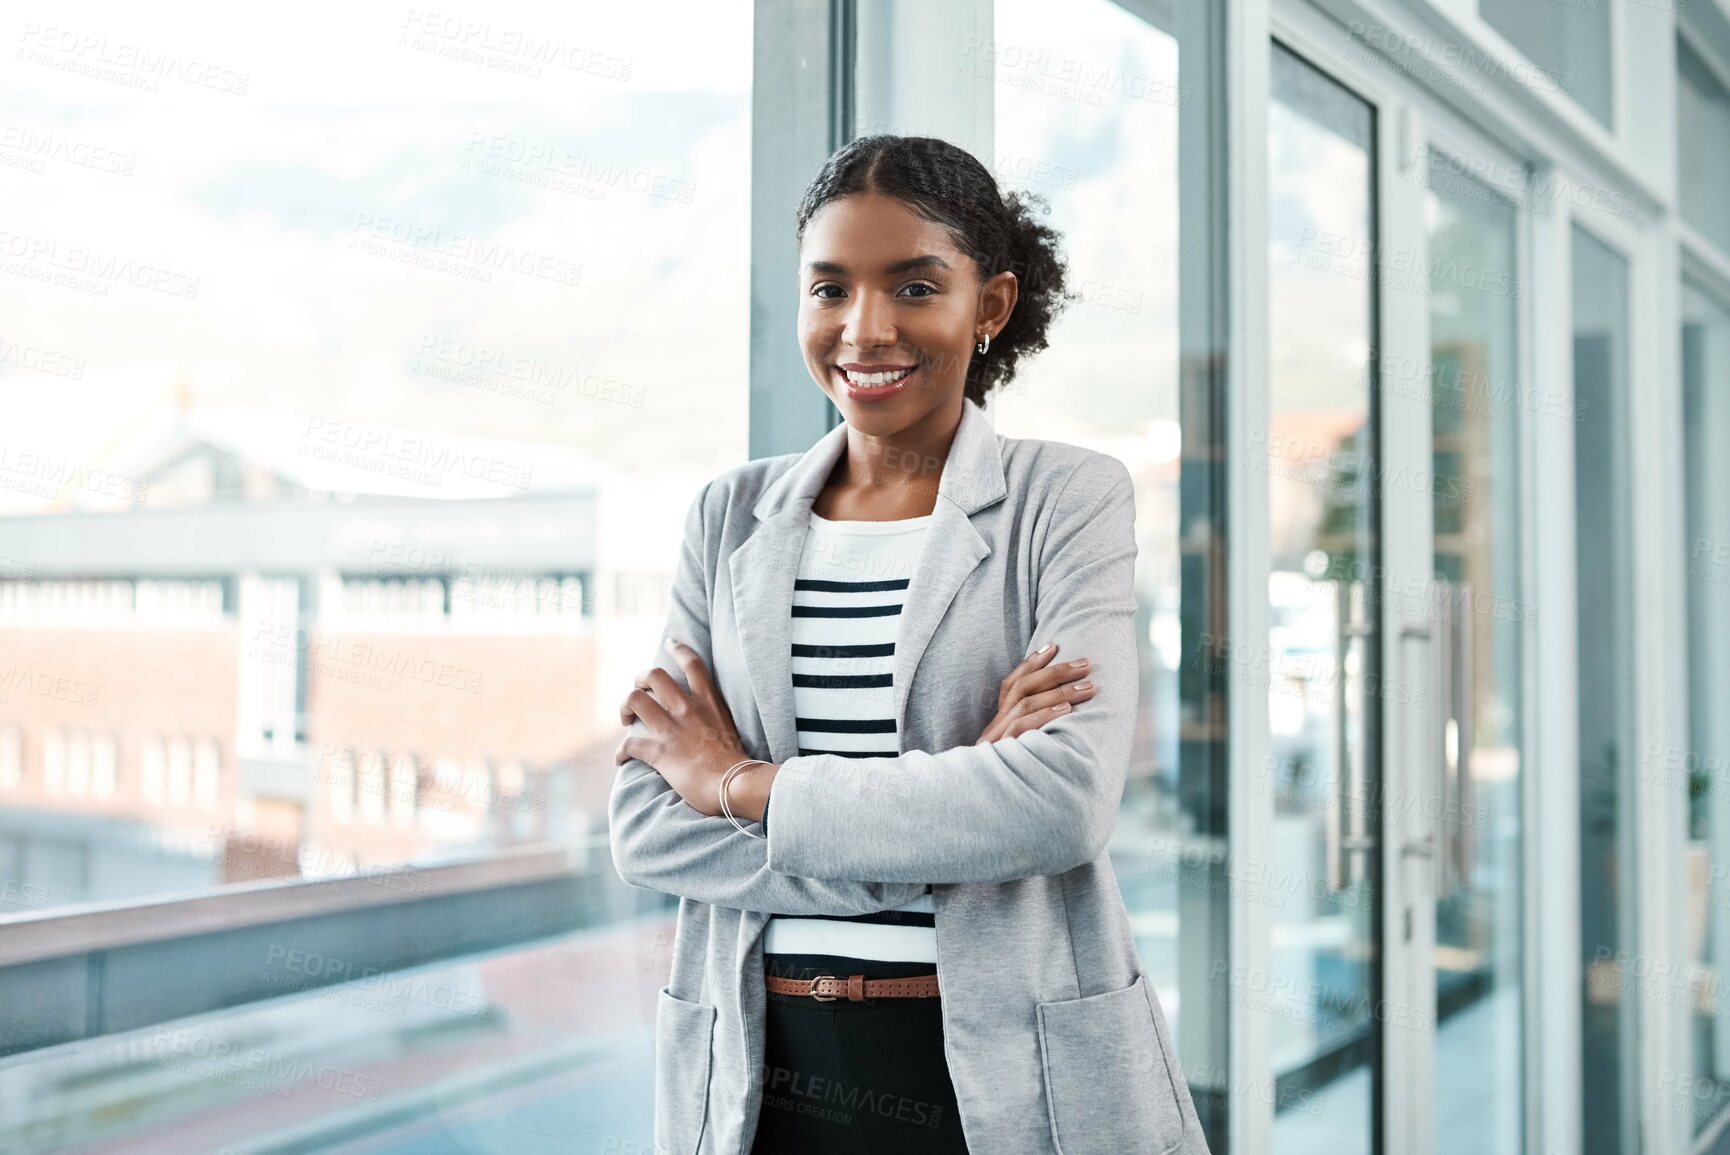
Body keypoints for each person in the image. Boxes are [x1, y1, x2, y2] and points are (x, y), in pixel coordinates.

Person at [610, 133, 1212, 1155]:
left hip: (999, 1069)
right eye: (829, 289)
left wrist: (741, 788)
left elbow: (1059, 805)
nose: (864, 329)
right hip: (761, 1075)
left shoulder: (1063, 500)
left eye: (913, 287)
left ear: (990, 305)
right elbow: (645, 826)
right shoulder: (728, 515)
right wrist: (962, 800)